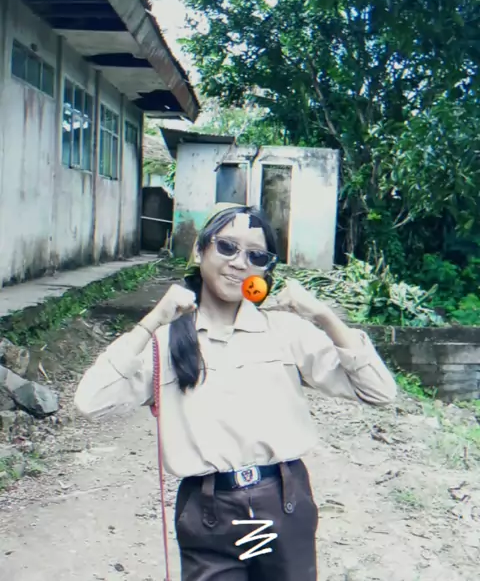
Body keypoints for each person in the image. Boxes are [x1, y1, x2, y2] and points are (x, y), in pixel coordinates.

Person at [75, 204, 396, 581]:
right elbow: (91, 401)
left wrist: (323, 315)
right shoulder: (165, 342)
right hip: (208, 512)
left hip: (283, 502)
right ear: (200, 251)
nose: (239, 263)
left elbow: (379, 391)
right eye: (227, 247)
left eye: (256, 255)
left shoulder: (284, 332)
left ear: (265, 271)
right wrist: (153, 321)